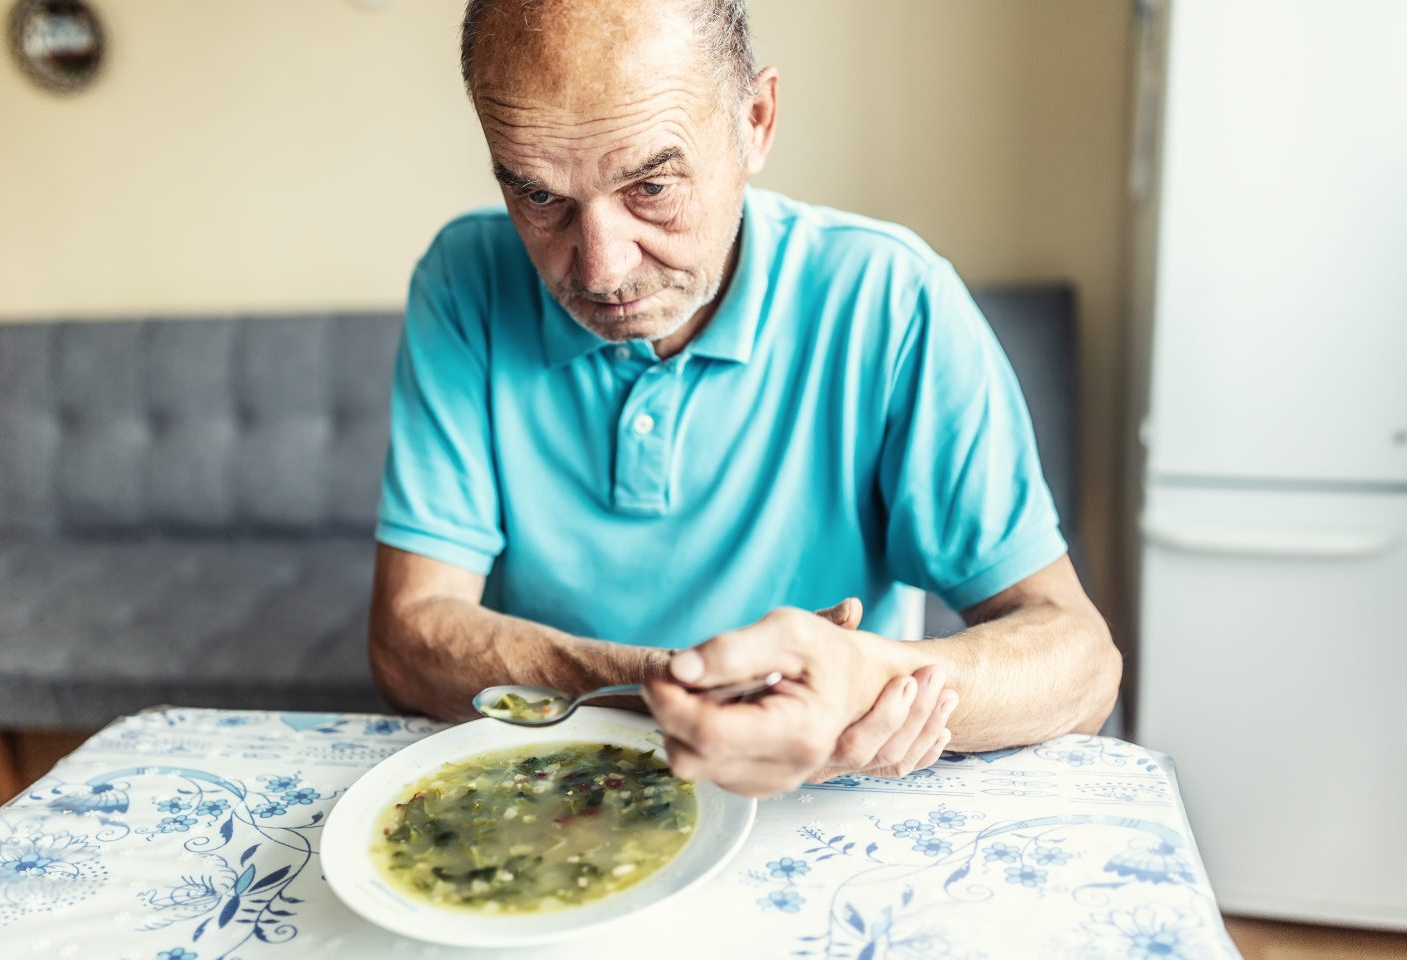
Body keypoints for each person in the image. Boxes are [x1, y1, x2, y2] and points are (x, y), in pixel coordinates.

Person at [369, 0, 1121, 797]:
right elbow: (409, 640)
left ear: (756, 121)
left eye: (652, 186)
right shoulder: (465, 280)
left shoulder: (891, 298)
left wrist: (869, 678)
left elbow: (1080, 663)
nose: (600, 270)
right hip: (559, 796)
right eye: (540, 197)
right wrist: (670, 686)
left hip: (818, 811)